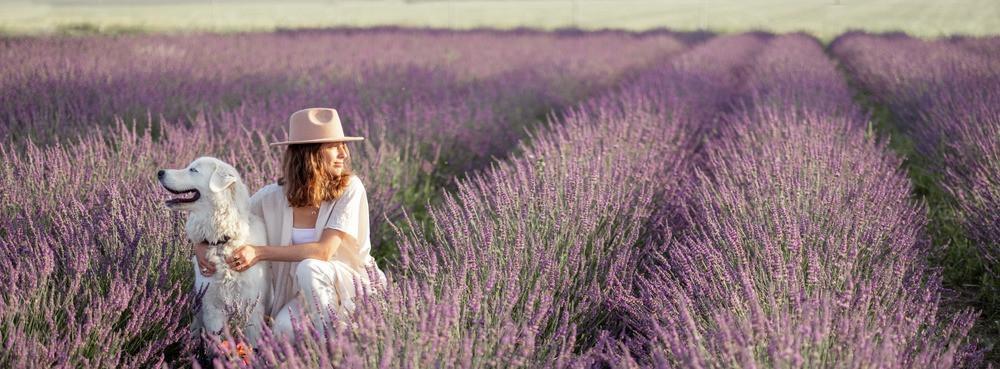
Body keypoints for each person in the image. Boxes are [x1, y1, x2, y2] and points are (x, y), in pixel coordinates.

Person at [194, 107, 386, 338]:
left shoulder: (350, 189)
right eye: (334, 146)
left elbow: (323, 252)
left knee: (310, 267)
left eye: (343, 145)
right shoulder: (271, 198)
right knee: (282, 331)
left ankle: (335, 346)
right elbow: (227, 220)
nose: (344, 153)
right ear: (310, 153)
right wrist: (201, 245)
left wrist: (260, 252)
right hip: (302, 296)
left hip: (351, 291)